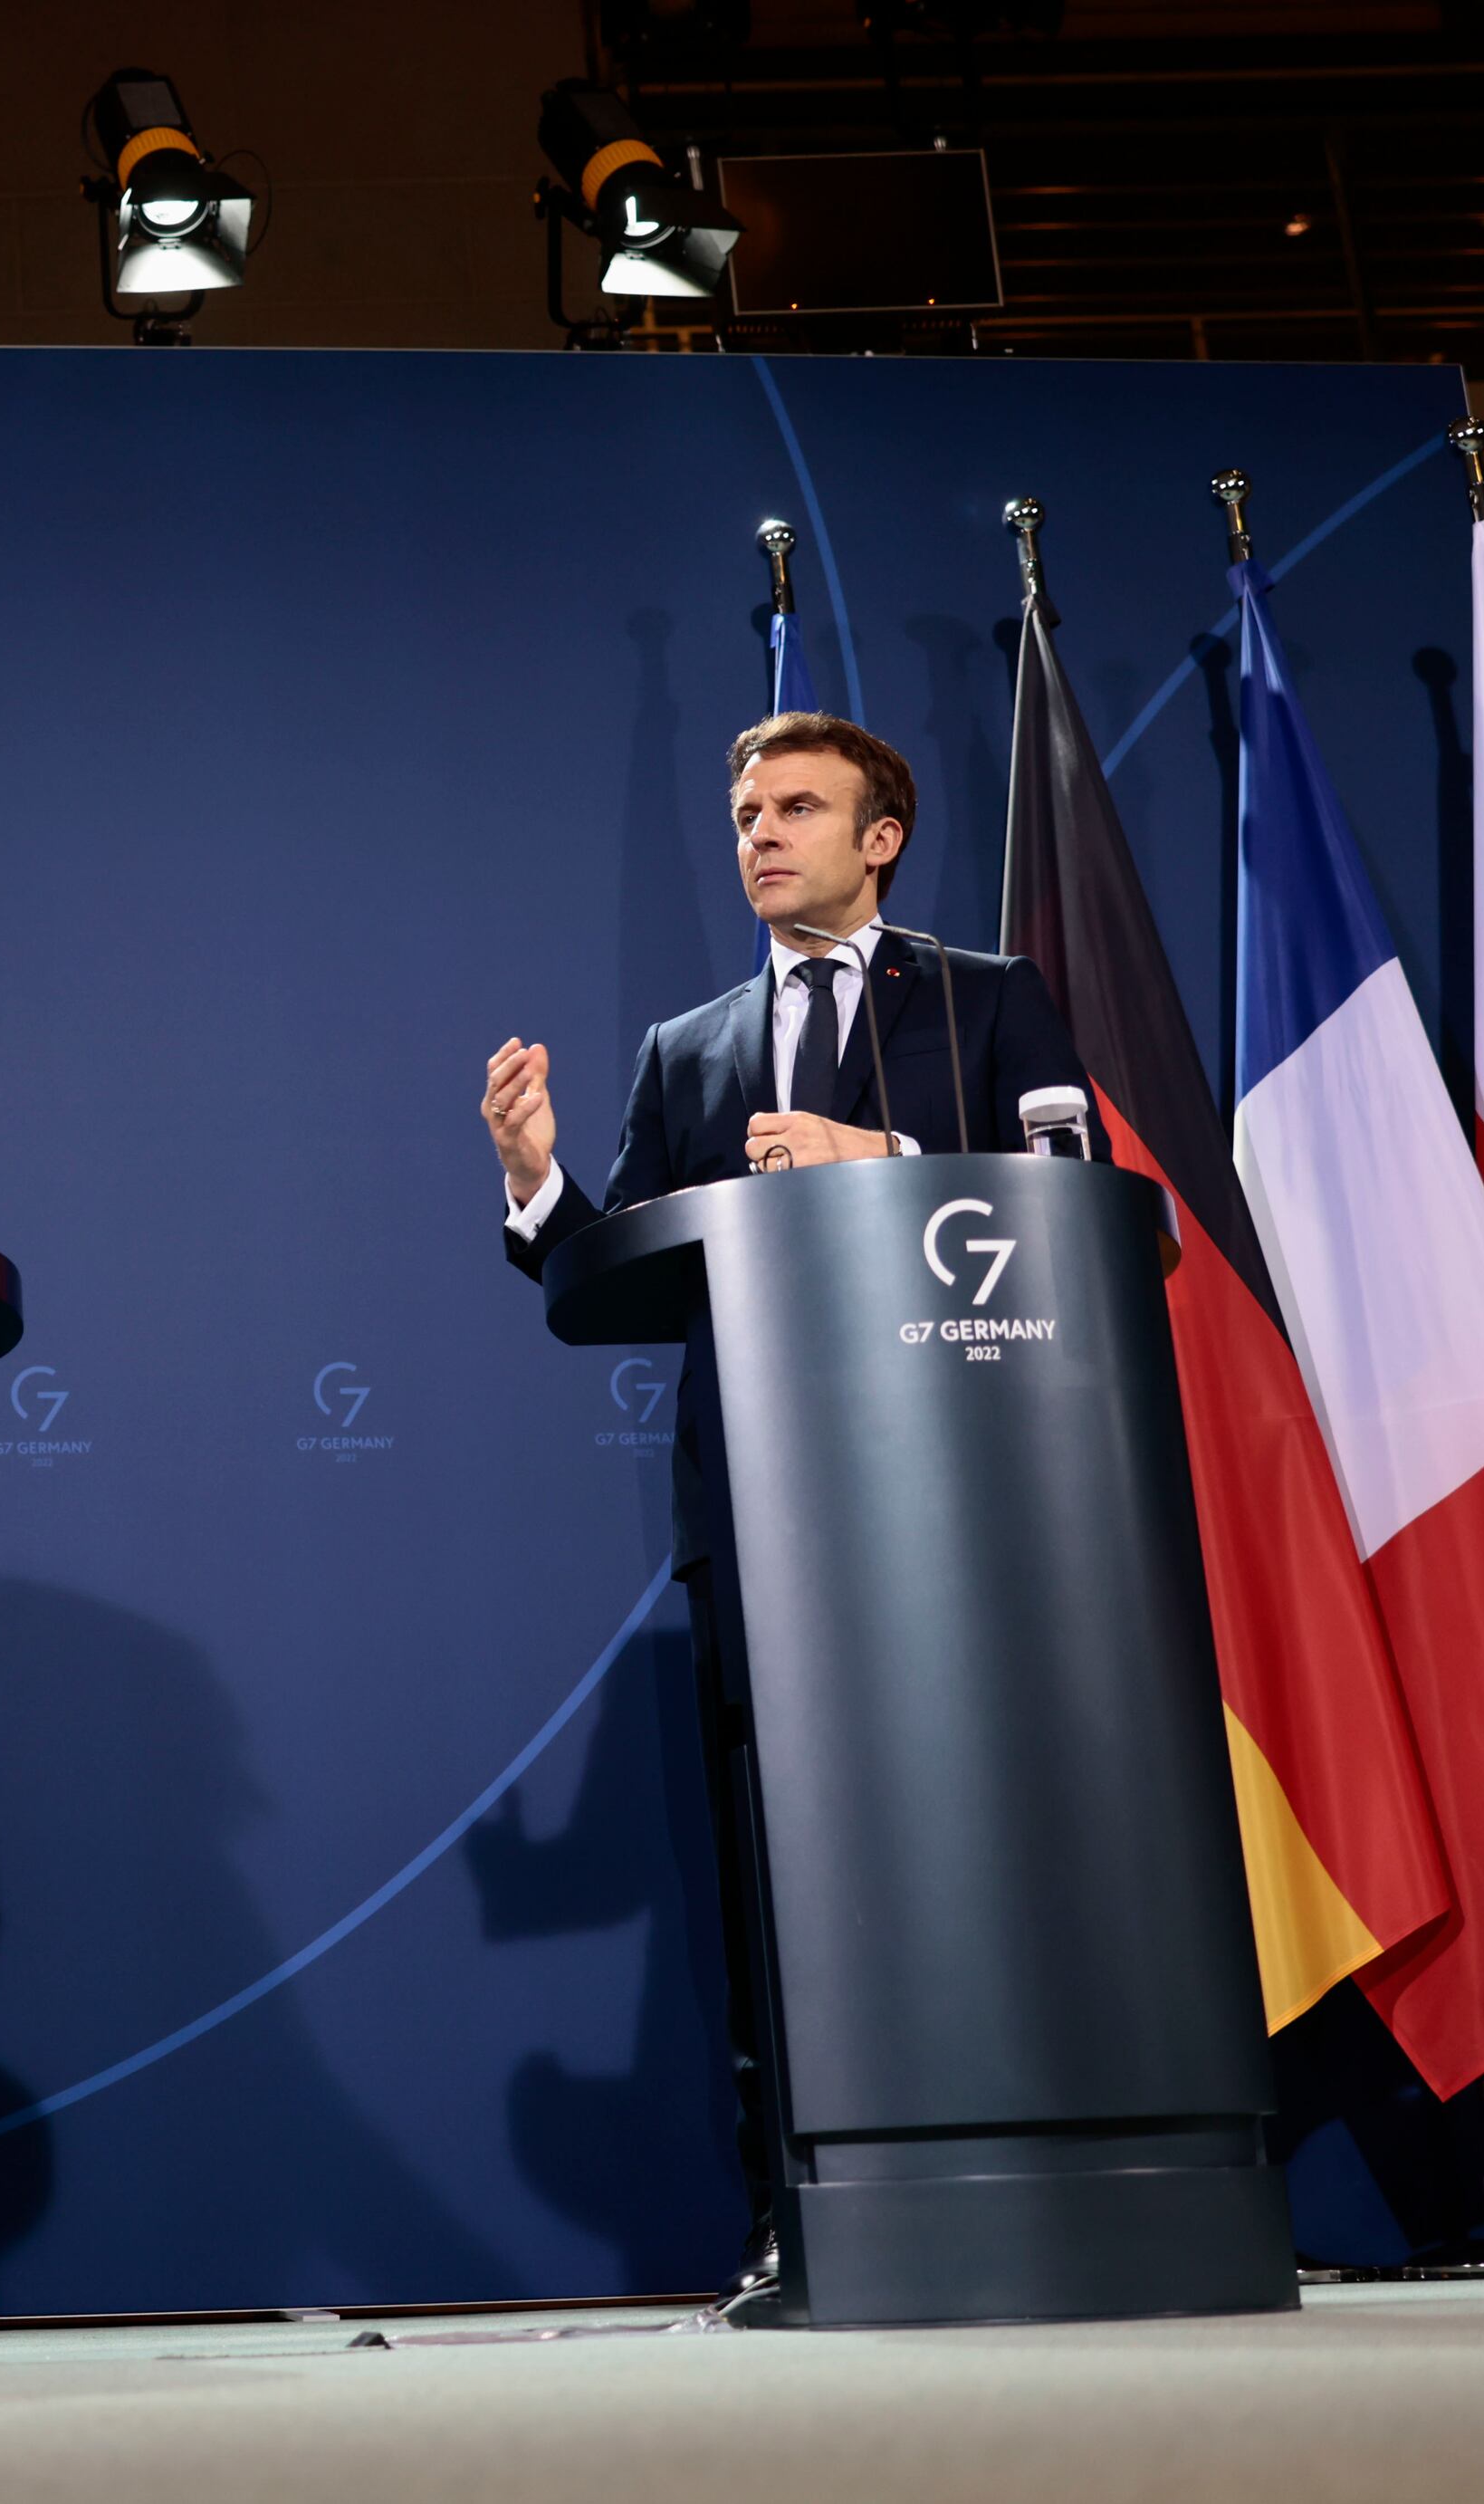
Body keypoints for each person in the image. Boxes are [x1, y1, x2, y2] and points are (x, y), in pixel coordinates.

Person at [474, 711, 1086, 2296]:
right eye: (745, 810)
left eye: (798, 807)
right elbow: (616, 1286)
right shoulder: (688, 1051)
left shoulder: (984, 999)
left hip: (971, 1514)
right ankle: (797, 2221)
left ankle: (1023, 2177)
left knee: (991, 1837)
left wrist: (873, 1158)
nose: (760, 833)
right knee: (779, 1873)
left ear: (881, 838)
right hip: (761, 1521)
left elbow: (1066, 1203)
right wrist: (542, 1188)